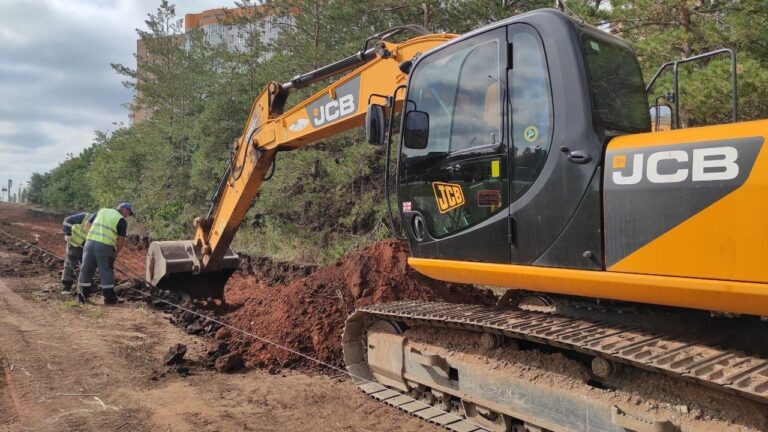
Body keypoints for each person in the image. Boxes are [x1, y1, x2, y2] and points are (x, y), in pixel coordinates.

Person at [77, 203, 134, 305]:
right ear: (124, 209)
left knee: (86, 269)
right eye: (128, 213)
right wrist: (115, 253)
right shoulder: (121, 220)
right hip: (105, 246)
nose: (127, 215)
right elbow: (121, 241)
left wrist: (92, 236)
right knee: (106, 271)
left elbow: (87, 224)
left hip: (89, 243)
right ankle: (110, 299)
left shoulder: (101, 211)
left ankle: (82, 297)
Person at [60, 211, 91, 294]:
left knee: (85, 266)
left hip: (85, 246)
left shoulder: (99, 224)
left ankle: (82, 289)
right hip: (73, 243)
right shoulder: (85, 216)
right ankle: (66, 287)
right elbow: (67, 220)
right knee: (70, 264)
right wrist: (68, 234)